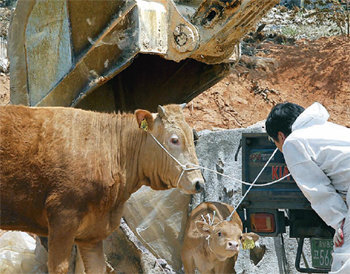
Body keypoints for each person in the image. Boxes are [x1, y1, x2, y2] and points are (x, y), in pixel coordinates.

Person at [265, 102, 350, 273]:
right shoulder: (332, 129)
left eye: (275, 142)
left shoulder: (293, 142)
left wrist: (339, 222)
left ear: (281, 136)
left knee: (345, 260)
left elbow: (318, 190)